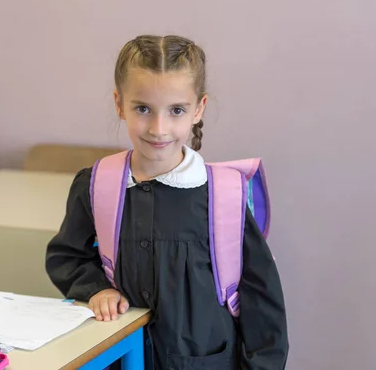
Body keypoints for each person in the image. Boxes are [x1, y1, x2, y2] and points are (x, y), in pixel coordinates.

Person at [46, 34, 289, 369]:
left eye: (176, 110)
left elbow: (263, 303)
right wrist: (96, 289)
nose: (159, 128)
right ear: (119, 104)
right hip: (121, 359)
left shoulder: (224, 196)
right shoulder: (97, 184)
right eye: (143, 108)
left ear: (199, 109)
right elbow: (67, 256)